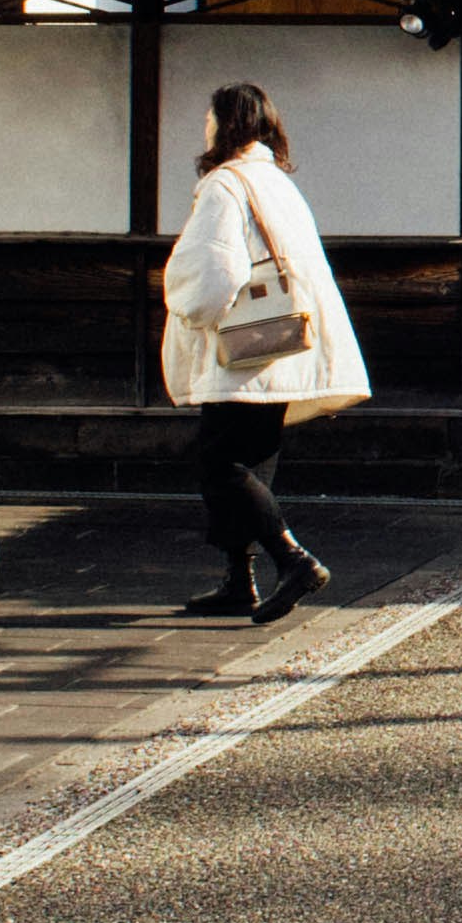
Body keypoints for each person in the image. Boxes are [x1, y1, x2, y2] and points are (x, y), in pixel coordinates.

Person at [158, 77, 369, 620]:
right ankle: (238, 580)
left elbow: (212, 270)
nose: (202, 127)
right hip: (282, 343)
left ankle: (291, 557)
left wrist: (183, 303)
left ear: (225, 124)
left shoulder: (225, 185)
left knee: (220, 462)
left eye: (209, 118)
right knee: (252, 459)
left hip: (242, 350)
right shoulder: (274, 179)